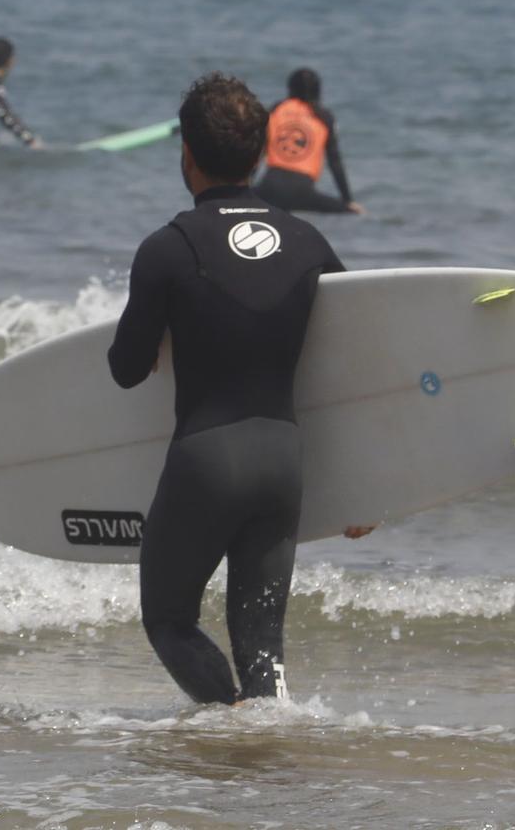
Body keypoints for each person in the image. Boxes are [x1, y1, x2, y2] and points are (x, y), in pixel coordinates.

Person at [107, 72, 355, 706]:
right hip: (282, 463)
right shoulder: (309, 242)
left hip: (207, 459)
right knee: (263, 650)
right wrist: (364, 488)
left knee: (169, 620)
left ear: (186, 156)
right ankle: (265, 762)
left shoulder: (168, 249)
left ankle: (232, 728)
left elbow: (127, 367)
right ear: (260, 154)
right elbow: (357, 367)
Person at [254, 68, 363, 215]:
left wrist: (243, 188)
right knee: (352, 212)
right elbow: (335, 162)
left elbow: (257, 152)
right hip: (302, 193)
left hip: (268, 189)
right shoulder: (324, 117)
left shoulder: (276, 109)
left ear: (290, 88)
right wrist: (348, 201)